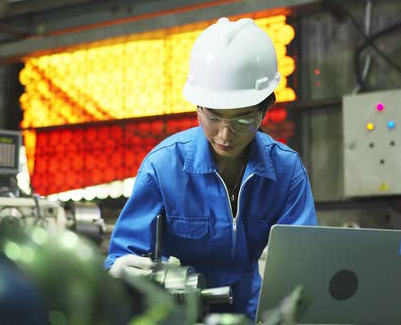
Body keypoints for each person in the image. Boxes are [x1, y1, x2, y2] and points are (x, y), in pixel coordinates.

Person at [104, 17, 317, 319]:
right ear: (197, 106)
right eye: (213, 117)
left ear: (266, 109)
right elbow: (125, 255)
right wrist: (120, 268)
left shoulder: (286, 171)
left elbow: (306, 262)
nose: (224, 135)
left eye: (242, 121)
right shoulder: (163, 167)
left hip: (258, 317)